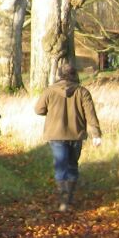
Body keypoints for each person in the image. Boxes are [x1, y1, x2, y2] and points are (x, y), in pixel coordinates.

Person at [34, 61, 102, 211]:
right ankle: (69, 199)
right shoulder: (82, 92)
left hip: (56, 135)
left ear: (59, 75)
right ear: (75, 74)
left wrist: (51, 111)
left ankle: (63, 201)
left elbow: (38, 110)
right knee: (72, 166)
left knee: (60, 166)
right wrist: (96, 134)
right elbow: (90, 115)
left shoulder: (49, 91)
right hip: (76, 135)